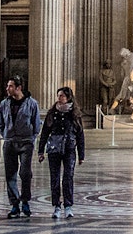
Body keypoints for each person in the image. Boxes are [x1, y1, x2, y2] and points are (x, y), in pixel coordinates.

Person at [37, 86, 85, 220]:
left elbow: (80, 134)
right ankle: (56, 205)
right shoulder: (52, 113)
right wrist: (41, 150)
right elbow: (45, 132)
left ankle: (68, 205)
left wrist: (81, 154)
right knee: (55, 178)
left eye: (62, 96)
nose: (59, 98)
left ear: (68, 97)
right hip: (54, 149)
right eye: (58, 96)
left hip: (69, 149)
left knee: (68, 178)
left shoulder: (75, 114)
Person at [0, 75, 41, 218]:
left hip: (26, 142)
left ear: (18, 88)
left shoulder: (32, 103)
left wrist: (31, 138)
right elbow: (1, 122)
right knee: (10, 174)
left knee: (25, 173)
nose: (7, 89)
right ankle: (14, 204)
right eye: (7, 86)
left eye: (10, 86)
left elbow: (36, 124)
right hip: (10, 141)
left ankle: (25, 201)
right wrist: (6, 134)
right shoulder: (4, 104)